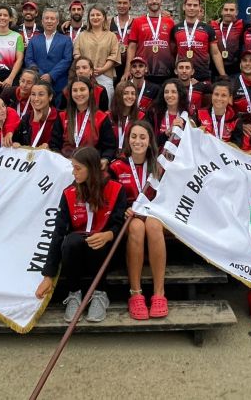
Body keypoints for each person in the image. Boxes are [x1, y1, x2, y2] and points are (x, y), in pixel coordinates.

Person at [35, 147, 126, 323]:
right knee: (71, 241)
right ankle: (74, 293)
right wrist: (48, 276)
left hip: (105, 255)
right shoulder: (69, 192)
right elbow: (58, 233)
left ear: (91, 168)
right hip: (77, 257)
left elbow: (120, 223)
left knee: (99, 240)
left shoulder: (116, 189)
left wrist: (109, 234)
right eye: (72, 167)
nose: (73, 172)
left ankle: (100, 293)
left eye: (78, 168)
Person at [109, 122, 168, 320]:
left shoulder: (159, 167)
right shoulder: (117, 166)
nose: (137, 141)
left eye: (142, 137)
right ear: (128, 140)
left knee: (152, 225)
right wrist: (122, 209)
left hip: (153, 214)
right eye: (133, 136)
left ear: (150, 140)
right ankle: (136, 293)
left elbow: (167, 196)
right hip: (130, 216)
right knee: (136, 227)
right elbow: (112, 197)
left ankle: (159, 293)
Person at [50, 77, 116, 167]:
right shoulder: (62, 116)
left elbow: (110, 146)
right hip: (65, 165)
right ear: (70, 93)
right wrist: (60, 159)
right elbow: (54, 144)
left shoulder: (101, 117)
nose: (78, 94)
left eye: (82, 89)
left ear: (90, 91)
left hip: (90, 165)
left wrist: (105, 159)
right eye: (75, 90)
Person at [125, 0, 176, 85]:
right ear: (146, 2)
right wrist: (128, 70)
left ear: (162, 1)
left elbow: (174, 47)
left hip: (166, 71)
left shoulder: (170, 22)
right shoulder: (137, 22)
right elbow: (132, 47)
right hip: (143, 72)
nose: (154, 1)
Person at [172, 0, 225, 82]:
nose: (192, 8)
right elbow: (176, 52)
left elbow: (215, 53)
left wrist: (223, 74)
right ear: (184, 7)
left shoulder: (208, 28)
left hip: (203, 75)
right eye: (189, 5)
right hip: (182, 76)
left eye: (195, 5)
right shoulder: (176, 28)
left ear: (199, 8)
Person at [74, 4, 120, 105]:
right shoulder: (82, 36)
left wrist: (102, 69)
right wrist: (86, 68)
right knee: (85, 105)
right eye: (92, 15)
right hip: (84, 77)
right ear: (89, 18)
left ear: (104, 17)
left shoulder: (111, 36)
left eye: (98, 15)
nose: (95, 18)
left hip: (105, 75)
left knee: (105, 106)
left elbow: (114, 55)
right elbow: (76, 54)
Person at [25, 8, 74, 100]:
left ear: (57, 21)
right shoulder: (33, 40)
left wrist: (51, 75)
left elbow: (67, 60)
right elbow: (29, 59)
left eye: (52, 18)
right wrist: (40, 74)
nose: (49, 21)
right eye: (46, 18)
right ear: (42, 21)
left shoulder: (66, 40)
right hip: (38, 83)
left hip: (59, 84)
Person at [12, 80, 59, 148]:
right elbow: (25, 143)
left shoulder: (60, 117)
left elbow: (61, 146)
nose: (36, 99)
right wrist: (16, 144)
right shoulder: (26, 118)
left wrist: (51, 148)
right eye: (33, 94)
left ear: (50, 97)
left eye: (41, 94)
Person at [144, 78, 188, 147]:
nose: (169, 95)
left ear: (180, 94)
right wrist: (166, 133)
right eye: (166, 92)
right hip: (158, 156)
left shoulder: (188, 114)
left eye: (173, 92)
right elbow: (147, 141)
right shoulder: (154, 113)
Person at [108, 80, 144, 155]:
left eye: (133, 93)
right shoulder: (108, 116)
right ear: (118, 95)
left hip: (132, 158)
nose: (130, 97)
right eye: (125, 93)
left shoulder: (141, 116)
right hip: (110, 157)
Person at [211, 0, 245, 77]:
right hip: (216, 72)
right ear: (222, 12)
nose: (228, 12)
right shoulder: (213, 26)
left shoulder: (243, 25)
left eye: (231, 10)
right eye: (226, 10)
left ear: (236, 12)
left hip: (236, 71)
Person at [110, 0, 133, 81]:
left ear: (130, 4)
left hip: (130, 66)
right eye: (119, 3)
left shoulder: (136, 22)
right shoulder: (108, 22)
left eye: (125, 3)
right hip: (113, 66)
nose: (121, 6)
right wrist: (69, 22)